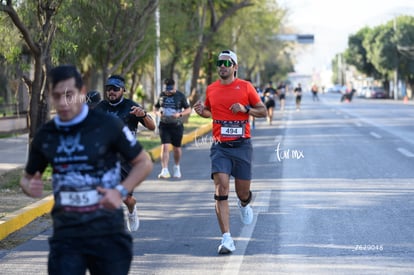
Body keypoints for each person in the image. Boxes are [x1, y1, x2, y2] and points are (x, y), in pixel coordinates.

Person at [19, 65, 153, 274]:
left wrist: (120, 191)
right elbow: (27, 178)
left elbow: (144, 162)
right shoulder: (47, 135)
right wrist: (29, 186)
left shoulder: (109, 125)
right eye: (57, 96)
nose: (64, 102)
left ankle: (130, 209)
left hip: (107, 233)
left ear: (81, 93)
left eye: (69, 95)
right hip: (67, 236)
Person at [193, 50, 266, 254]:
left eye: (227, 62)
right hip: (220, 147)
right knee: (221, 188)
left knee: (242, 193)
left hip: (242, 146)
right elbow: (211, 112)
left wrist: (245, 109)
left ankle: (244, 204)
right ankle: (226, 238)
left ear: (235, 67)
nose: (222, 65)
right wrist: (202, 112)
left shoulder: (246, 87)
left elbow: (262, 111)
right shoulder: (211, 89)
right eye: (219, 62)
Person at [95, 75, 156, 232]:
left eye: (115, 89)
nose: (112, 92)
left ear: (123, 90)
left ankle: (131, 208)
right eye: (109, 89)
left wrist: (142, 115)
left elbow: (152, 127)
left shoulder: (131, 107)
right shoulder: (100, 107)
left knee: (126, 198)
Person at [153, 78, 192, 179]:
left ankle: (177, 167)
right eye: (167, 90)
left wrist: (180, 114)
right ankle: (164, 170)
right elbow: (155, 108)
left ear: (174, 87)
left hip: (177, 126)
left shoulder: (180, 96)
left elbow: (188, 109)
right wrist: (158, 113)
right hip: (164, 125)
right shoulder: (161, 95)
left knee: (176, 149)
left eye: (170, 90)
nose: (169, 92)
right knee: (165, 146)